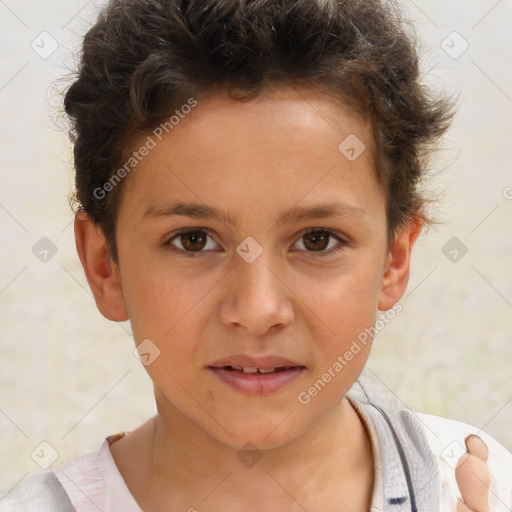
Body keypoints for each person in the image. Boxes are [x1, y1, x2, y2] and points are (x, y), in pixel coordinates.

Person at [1, 0, 511, 511]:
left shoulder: (479, 483)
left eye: (317, 240)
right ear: (104, 265)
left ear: (394, 259)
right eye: (193, 240)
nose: (258, 309)